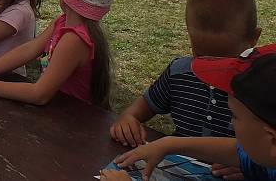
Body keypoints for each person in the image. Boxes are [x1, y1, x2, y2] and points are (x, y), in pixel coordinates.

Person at [109, 0, 261, 179]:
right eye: (203, 58)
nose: (213, 68)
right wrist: (127, 119)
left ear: (254, 38)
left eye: (227, 60)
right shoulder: (179, 72)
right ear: (190, 36)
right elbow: (138, 109)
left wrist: (254, 164)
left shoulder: (262, 86)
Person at [102, 44, 276, 181]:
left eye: (236, 117)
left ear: (272, 139)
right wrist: (169, 144)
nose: (232, 122)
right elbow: (236, 152)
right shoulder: (269, 155)